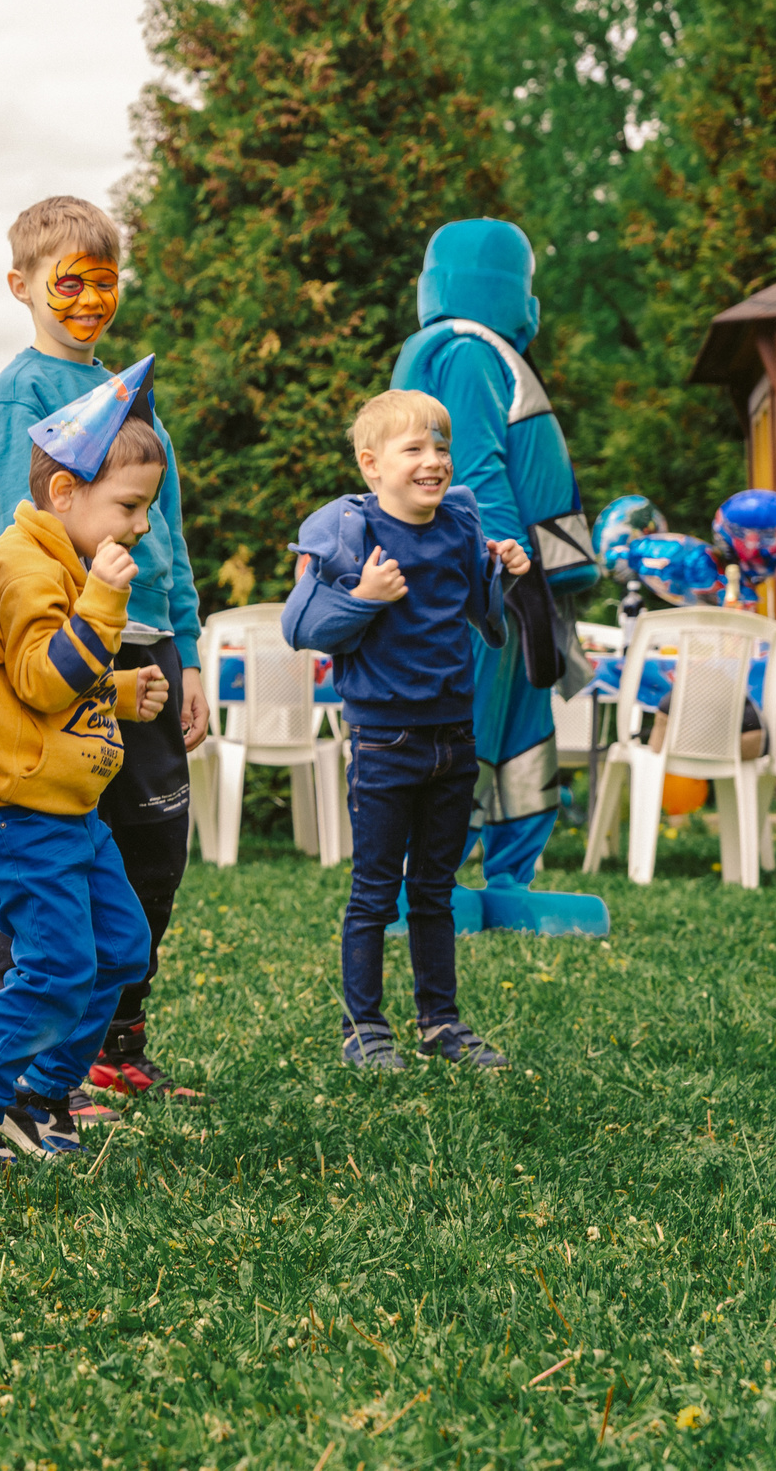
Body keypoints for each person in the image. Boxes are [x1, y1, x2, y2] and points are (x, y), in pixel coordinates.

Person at [0, 195, 205, 1109]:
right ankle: (37, 1055)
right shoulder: (15, 399)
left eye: (103, 282)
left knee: (152, 850)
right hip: (69, 657)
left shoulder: (134, 396)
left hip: (150, 648)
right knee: (58, 853)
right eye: (67, 282)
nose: (87, 300)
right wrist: (79, 657)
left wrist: (183, 645)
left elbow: (169, 533)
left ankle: (117, 1044)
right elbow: (10, 540)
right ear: (21, 285)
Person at [0, 359, 164, 1166]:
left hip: (66, 807)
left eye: (147, 508)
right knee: (57, 962)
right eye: (128, 506)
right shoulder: (24, 565)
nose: (140, 526)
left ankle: (38, 1092)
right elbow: (40, 680)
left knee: (121, 947)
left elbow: (60, 682)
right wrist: (104, 604)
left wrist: (123, 691)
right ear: (66, 493)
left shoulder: (65, 560)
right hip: (11, 808)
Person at [283, 390, 527, 1072]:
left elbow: (480, 612)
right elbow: (299, 628)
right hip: (385, 741)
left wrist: (497, 568)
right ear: (372, 464)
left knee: (435, 888)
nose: (434, 460)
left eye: (441, 447)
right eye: (414, 448)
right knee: (374, 889)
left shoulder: (458, 521)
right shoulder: (349, 532)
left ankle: (440, 1021)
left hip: (453, 736)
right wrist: (365, 597)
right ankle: (362, 1024)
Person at [391, 220, 605, 935]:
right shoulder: (464, 353)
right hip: (484, 584)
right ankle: (430, 878)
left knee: (519, 726)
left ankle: (512, 874)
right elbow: (474, 465)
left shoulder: (489, 354)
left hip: (518, 588)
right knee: (462, 726)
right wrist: (504, 565)